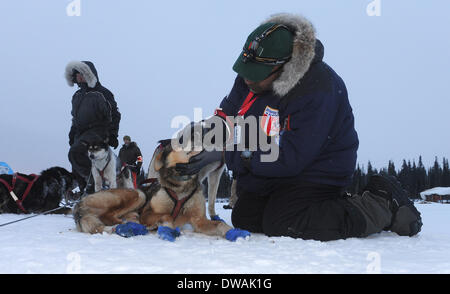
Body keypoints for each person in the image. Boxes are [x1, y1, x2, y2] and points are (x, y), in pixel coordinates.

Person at [175, 13, 422, 241]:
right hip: (267, 165)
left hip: (317, 170)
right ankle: (304, 204)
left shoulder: (317, 89)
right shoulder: (253, 75)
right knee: (245, 218)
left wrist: (239, 155)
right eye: (245, 70)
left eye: (256, 73)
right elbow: (228, 112)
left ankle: (380, 204)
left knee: (284, 222)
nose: (247, 78)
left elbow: (290, 158)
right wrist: (207, 139)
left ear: (284, 66)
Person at [65, 61, 121, 194]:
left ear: (89, 74)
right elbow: (75, 117)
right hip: (81, 132)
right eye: (77, 74)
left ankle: (93, 181)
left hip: (98, 130)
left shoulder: (102, 93)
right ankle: (89, 194)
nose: (79, 77)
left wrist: (113, 134)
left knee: (75, 153)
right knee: (75, 164)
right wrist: (72, 133)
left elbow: (115, 114)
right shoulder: (77, 96)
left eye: (81, 74)